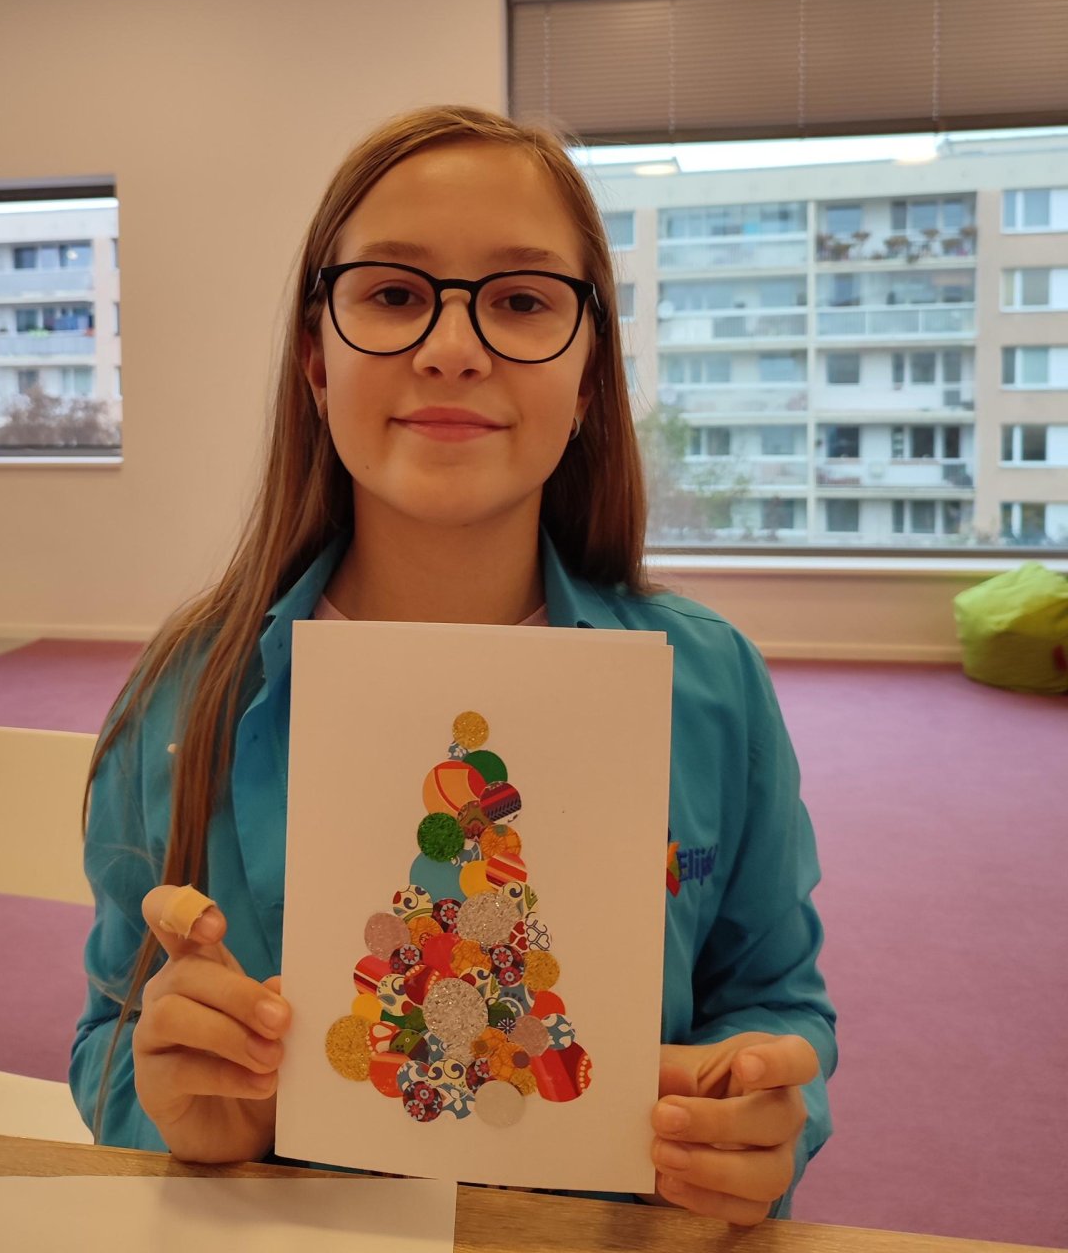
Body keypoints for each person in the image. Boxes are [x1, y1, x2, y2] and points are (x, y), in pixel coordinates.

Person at [70, 104, 836, 1225]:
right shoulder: (190, 694)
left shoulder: (710, 686)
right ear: (315, 358)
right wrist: (176, 1112)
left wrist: (761, 1121)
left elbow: (774, 1001)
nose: (452, 347)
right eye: (392, 294)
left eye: (522, 300)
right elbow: (110, 1033)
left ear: (588, 374)